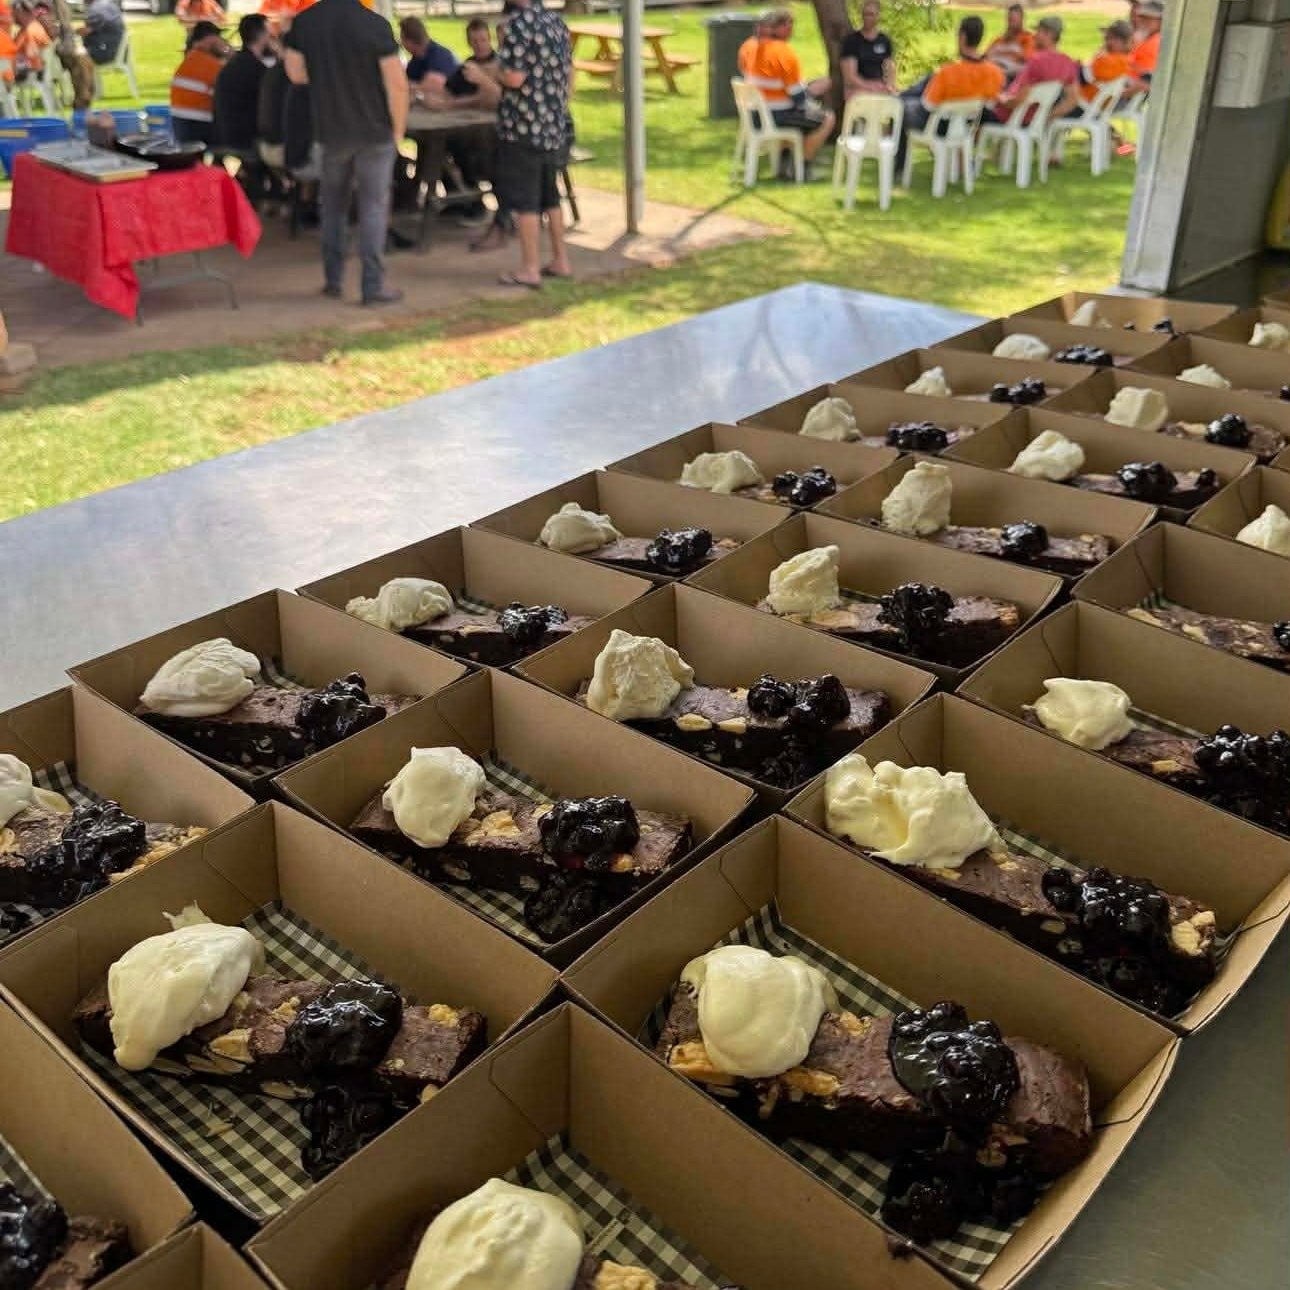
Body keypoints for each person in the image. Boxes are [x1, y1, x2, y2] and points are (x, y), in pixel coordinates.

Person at [285, 0, 407, 306]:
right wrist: (399, 131)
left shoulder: (305, 23)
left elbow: (296, 74)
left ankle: (333, 280)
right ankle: (372, 286)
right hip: (375, 130)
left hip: (331, 130)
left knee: (333, 208)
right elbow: (396, 84)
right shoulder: (375, 25)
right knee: (373, 209)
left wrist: (328, 76)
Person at [492, 0, 572, 288]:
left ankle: (530, 268)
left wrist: (493, 73)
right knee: (550, 196)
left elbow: (513, 77)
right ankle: (561, 259)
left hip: (523, 126)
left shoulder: (517, 26)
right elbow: (569, 76)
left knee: (527, 202)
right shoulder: (556, 23)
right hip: (552, 126)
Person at [897, 16, 1003, 171]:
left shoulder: (947, 73)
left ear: (962, 37)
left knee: (900, 106)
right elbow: (990, 103)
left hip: (939, 126)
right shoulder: (995, 73)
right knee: (914, 93)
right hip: (965, 127)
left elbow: (928, 105)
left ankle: (898, 168)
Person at [737, 9, 835, 177]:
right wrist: (815, 89)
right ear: (777, 28)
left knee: (799, 117)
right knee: (826, 118)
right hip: (775, 115)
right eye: (788, 25)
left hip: (753, 114)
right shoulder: (784, 52)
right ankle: (802, 169)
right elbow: (798, 98)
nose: (791, 30)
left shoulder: (748, 47)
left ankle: (784, 166)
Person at [987, 15, 1081, 124]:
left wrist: (997, 96)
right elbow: (1073, 100)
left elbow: (1017, 101)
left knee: (976, 112)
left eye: (1038, 32)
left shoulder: (1037, 61)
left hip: (1009, 118)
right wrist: (1046, 117)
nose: (1034, 36)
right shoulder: (1067, 62)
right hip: (1031, 120)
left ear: (1049, 34)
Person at [215, 14, 276, 153]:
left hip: (227, 134)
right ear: (262, 35)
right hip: (247, 139)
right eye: (269, 32)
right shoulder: (255, 69)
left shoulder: (234, 64)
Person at [170, 20, 229, 146]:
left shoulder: (190, 59)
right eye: (218, 38)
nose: (222, 41)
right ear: (208, 39)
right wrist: (230, 55)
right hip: (200, 124)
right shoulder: (209, 64)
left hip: (180, 123)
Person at [840, 0, 896, 98]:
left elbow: (890, 67)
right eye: (865, 14)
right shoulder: (852, 41)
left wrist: (889, 85)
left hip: (879, 87)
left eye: (871, 14)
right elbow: (849, 77)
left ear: (878, 16)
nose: (867, 18)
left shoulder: (884, 40)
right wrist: (870, 86)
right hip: (857, 88)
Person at [1082, 19, 1145, 103]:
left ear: (1125, 42)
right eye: (1106, 38)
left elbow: (1083, 74)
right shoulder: (1127, 59)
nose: (1106, 42)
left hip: (1084, 100)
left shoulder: (1110, 61)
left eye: (1110, 38)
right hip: (1095, 101)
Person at [400, 15, 457, 95]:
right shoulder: (416, 60)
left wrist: (414, 87)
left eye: (402, 39)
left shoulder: (440, 56)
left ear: (410, 41)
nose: (402, 43)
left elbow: (436, 86)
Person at [985, 4, 1032, 78]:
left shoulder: (1028, 38)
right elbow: (986, 55)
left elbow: (1026, 58)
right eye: (1009, 20)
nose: (1011, 24)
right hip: (993, 73)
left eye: (1014, 20)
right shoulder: (999, 39)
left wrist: (1004, 53)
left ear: (1022, 20)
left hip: (1012, 77)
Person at [79, 0, 124, 68]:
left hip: (106, 52)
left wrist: (70, 31)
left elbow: (86, 30)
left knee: (75, 57)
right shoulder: (107, 3)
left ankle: (85, 78)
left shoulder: (96, 9)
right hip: (118, 50)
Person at [1131, 0, 1162, 81]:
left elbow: (1146, 77)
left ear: (1160, 21)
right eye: (1143, 18)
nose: (1144, 21)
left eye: (1149, 19)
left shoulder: (1156, 42)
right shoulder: (1144, 38)